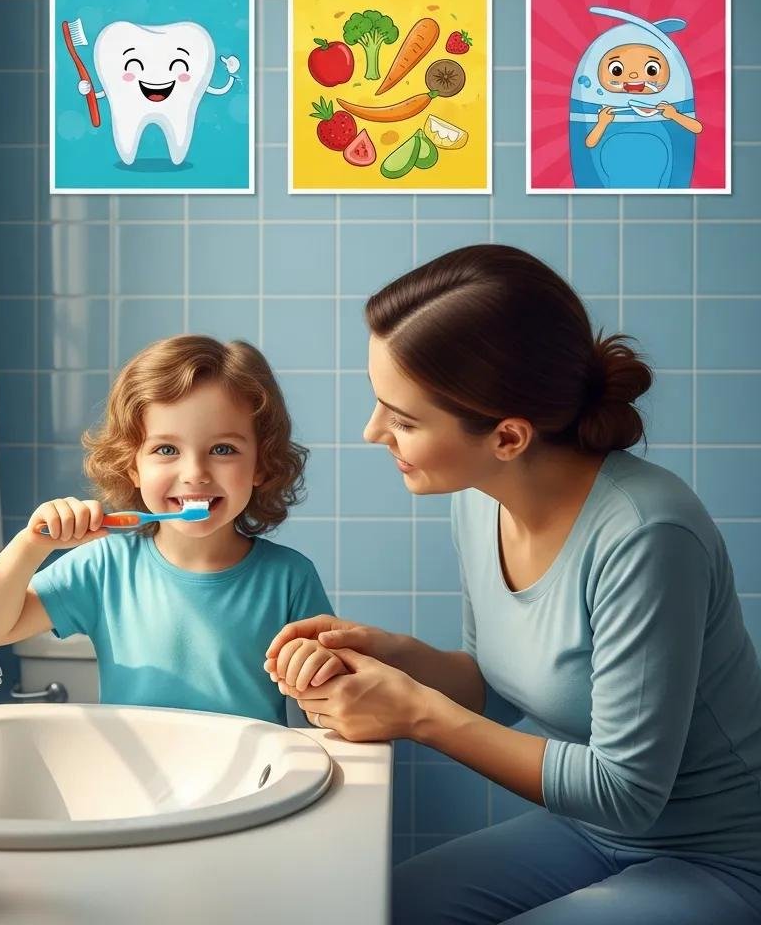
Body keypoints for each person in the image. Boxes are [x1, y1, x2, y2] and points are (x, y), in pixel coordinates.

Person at [265, 245, 761, 923]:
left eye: (403, 419)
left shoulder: (646, 535)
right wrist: (390, 653)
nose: (372, 431)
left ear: (507, 438)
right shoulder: (477, 499)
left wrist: (416, 713)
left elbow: (625, 790)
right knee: (381, 910)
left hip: (719, 857)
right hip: (591, 834)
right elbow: (497, 691)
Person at [0, 334, 343, 725]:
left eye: (223, 449)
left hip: (252, 780)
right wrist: (32, 544)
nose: (195, 473)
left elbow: (328, 699)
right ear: (133, 466)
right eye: (166, 450)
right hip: (140, 784)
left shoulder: (289, 578)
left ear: (261, 465)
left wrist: (322, 669)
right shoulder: (103, 567)